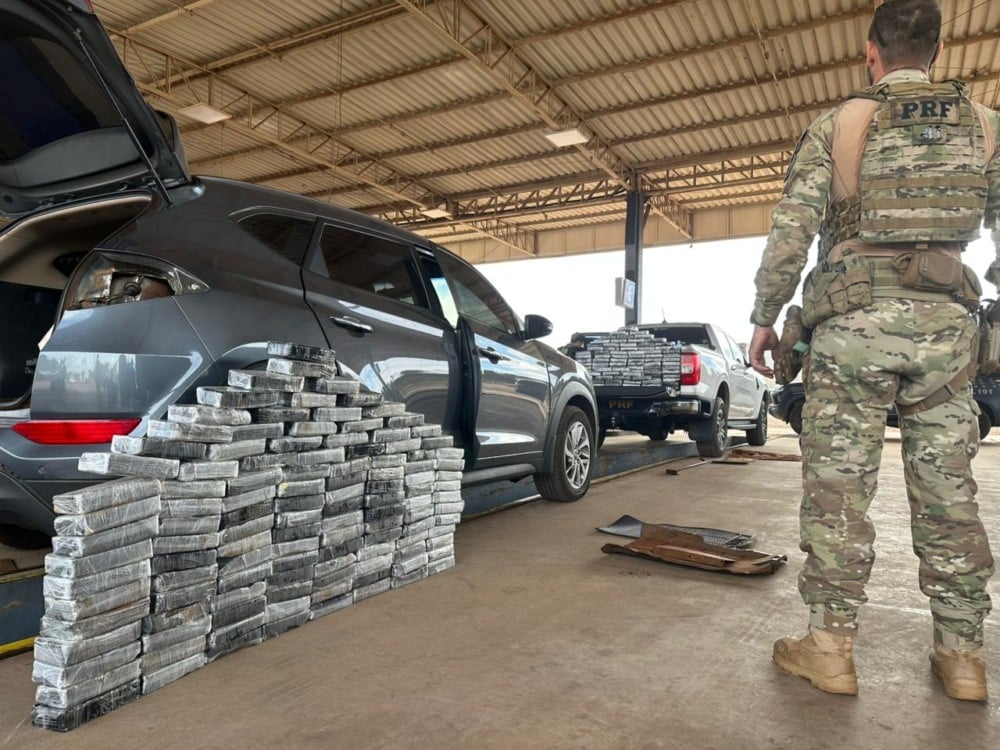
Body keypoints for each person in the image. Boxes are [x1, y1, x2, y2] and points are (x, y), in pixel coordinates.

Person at [748, 0, 999, 701]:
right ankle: (962, 657)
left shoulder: (840, 126)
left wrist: (766, 317)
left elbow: (792, 232)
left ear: (871, 53)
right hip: (947, 336)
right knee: (947, 491)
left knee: (839, 490)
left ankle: (830, 649)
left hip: (851, 327)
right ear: (939, 52)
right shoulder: (986, 128)